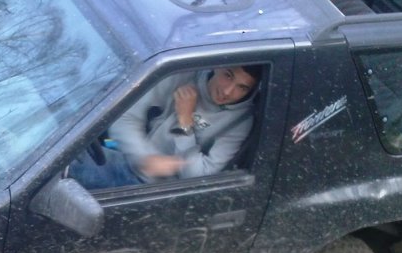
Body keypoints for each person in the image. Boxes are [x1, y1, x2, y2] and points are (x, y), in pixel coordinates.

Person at [70, 64, 261, 190]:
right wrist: (143, 158)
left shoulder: (241, 122)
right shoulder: (184, 75)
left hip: (159, 191)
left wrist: (185, 122)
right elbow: (127, 117)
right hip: (128, 159)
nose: (227, 91)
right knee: (66, 167)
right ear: (218, 66)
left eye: (242, 87)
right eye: (228, 76)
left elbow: (201, 177)